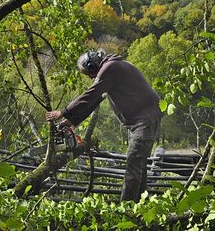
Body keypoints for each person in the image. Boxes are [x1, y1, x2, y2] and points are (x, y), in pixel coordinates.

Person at [46, 49, 162, 202]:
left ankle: (126, 210)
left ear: (92, 66)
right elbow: (95, 100)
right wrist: (71, 120)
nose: (90, 77)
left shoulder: (110, 67)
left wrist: (63, 112)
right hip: (142, 119)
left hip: (144, 119)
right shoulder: (112, 67)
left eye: (89, 73)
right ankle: (140, 206)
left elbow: (91, 94)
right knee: (138, 165)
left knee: (133, 165)